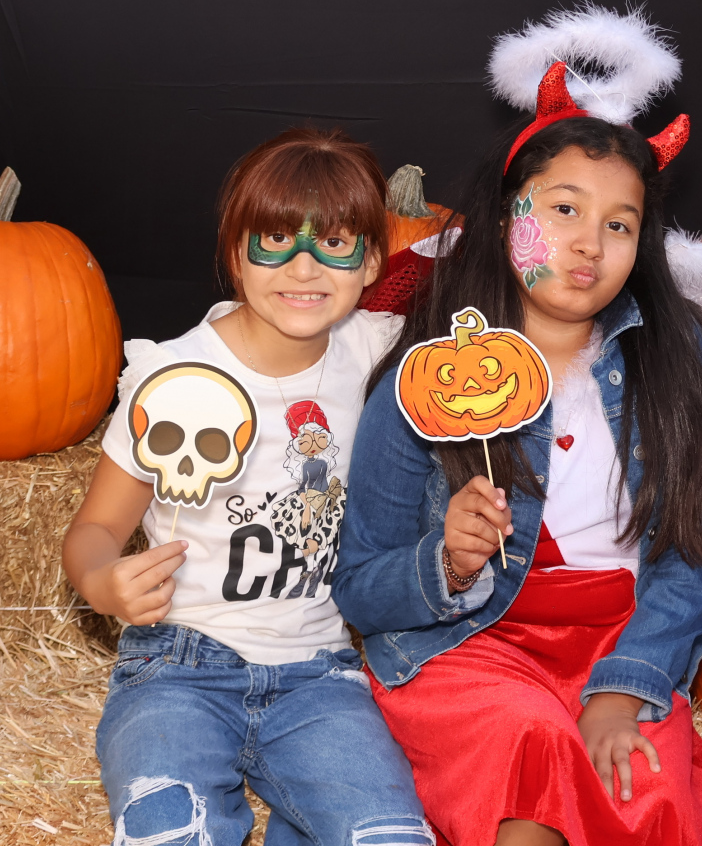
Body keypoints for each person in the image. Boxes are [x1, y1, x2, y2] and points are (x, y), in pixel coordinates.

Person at [336, 8, 702, 846]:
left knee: (641, 792)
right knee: (527, 750)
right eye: (563, 209)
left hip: (619, 642)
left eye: (618, 224)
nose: (588, 245)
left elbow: (699, 554)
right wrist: (445, 561)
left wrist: (624, 686)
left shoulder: (677, 362)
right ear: (505, 218)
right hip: (471, 646)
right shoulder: (431, 376)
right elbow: (359, 583)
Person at [63, 127, 433, 846]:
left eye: (334, 243)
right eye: (276, 240)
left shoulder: (381, 354)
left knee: (388, 836)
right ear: (235, 254)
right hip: (179, 667)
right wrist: (102, 582)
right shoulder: (173, 377)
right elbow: (95, 529)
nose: (304, 266)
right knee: (168, 829)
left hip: (319, 676)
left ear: (370, 262)